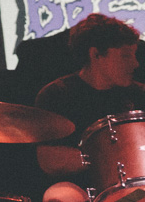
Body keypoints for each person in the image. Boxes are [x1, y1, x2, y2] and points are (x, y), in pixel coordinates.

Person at [35, 13, 145, 202]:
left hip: (136, 187)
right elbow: (48, 160)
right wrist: (101, 156)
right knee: (59, 197)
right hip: (79, 187)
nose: (135, 63)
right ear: (95, 54)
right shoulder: (57, 95)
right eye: (126, 55)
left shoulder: (139, 94)